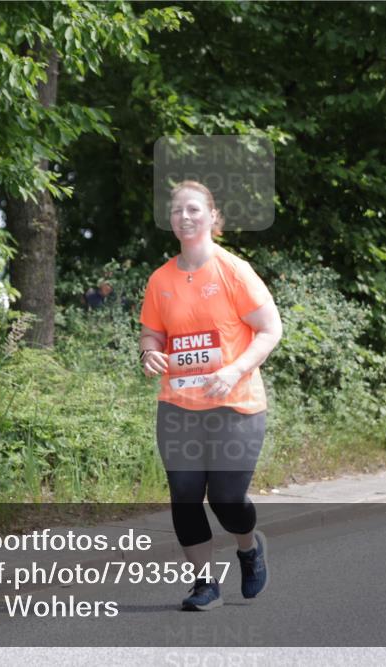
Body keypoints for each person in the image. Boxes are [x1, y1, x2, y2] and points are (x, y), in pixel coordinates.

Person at [139, 180, 283, 610]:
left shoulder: (233, 271)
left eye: (194, 209)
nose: (184, 217)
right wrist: (149, 353)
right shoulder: (161, 279)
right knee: (184, 495)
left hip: (234, 405)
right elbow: (152, 334)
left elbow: (270, 329)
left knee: (226, 500)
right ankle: (205, 584)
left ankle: (249, 546)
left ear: (212, 217)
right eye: (177, 210)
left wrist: (235, 368)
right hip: (178, 406)